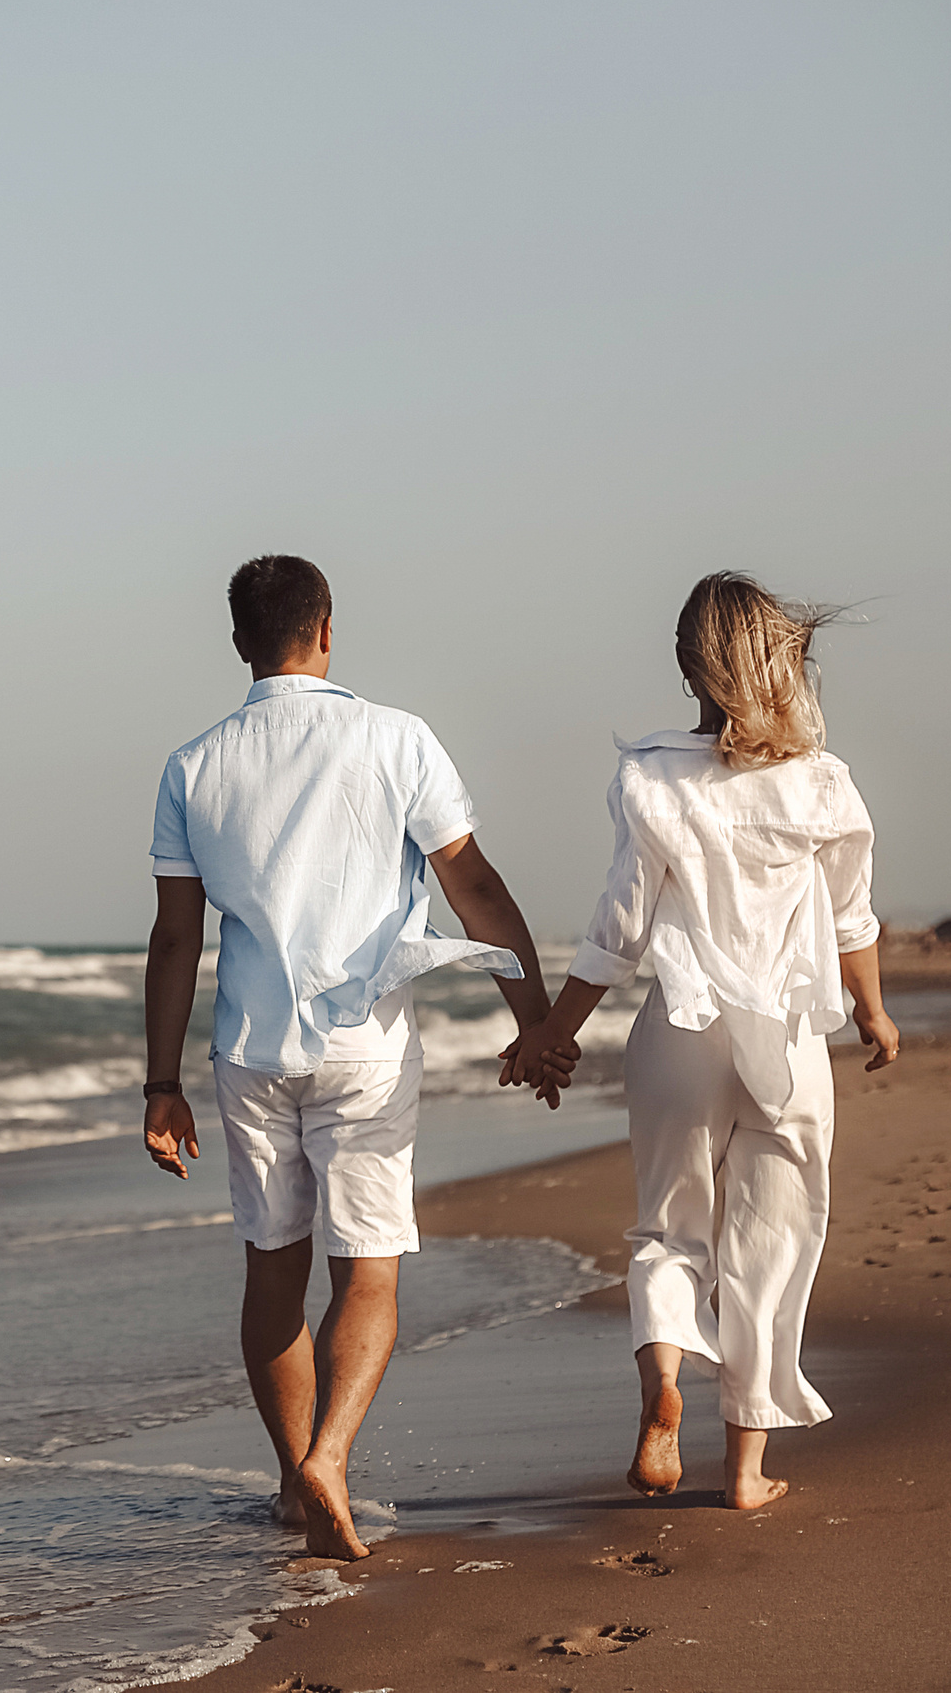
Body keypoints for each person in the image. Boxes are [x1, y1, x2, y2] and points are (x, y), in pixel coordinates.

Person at [141, 554, 574, 1562]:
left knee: (272, 1268)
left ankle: (296, 1484)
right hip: (365, 1046)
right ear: (326, 628)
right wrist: (536, 1020)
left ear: (242, 641)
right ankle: (332, 1454)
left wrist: (160, 1083)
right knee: (366, 1270)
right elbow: (477, 886)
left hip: (250, 1049)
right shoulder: (396, 738)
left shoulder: (192, 764)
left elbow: (174, 938)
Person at [503, 572, 901, 1512]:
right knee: (771, 1238)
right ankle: (748, 1472)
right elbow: (853, 920)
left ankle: (663, 1390)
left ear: (687, 664)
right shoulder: (822, 783)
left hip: (679, 1031)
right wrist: (875, 1014)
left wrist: (555, 1033)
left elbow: (620, 927)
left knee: (665, 1229)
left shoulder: (648, 777)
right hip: (792, 1042)